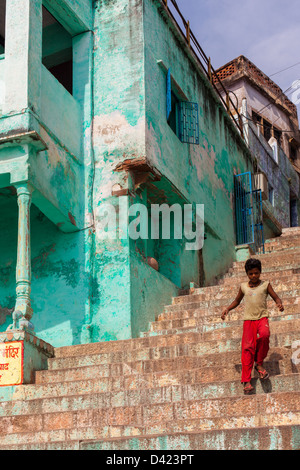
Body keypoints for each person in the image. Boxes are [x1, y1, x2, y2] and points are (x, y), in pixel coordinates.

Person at [220, 258, 284, 394]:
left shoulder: (266, 285)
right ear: (247, 274)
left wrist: (279, 303)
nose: (254, 276)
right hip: (248, 320)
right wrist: (227, 309)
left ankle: (259, 363)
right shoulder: (243, 286)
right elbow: (237, 300)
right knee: (247, 348)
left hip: (262, 317)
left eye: (256, 273)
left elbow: (276, 297)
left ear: (260, 272)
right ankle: (246, 381)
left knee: (265, 335)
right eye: (251, 274)